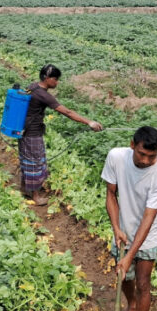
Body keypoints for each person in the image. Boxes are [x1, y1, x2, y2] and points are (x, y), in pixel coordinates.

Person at [101, 126, 157, 311]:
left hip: (146, 234)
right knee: (125, 277)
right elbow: (111, 194)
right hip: (123, 229)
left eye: (153, 156)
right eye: (142, 154)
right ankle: (131, 306)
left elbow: (148, 219)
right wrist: (116, 228)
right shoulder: (116, 157)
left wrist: (131, 254)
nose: (147, 160)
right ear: (133, 145)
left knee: (143, 282)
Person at [20, 64, 103, 205]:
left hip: (24, 130)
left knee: (28, 159)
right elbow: (67, 112)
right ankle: (35, 196)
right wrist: (89, 122)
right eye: (55, 79)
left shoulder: (33, 86)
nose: (57, 82)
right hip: (32, 133)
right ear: (47, 78)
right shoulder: (44, 95)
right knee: (35, 162)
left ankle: (25, 188)